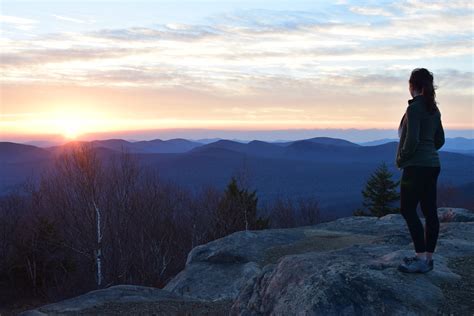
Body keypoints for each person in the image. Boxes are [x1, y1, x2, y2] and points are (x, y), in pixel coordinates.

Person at [395, 68, 445, 273]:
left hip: (415, 167)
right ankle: (428, 259)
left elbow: (411, 140)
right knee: (429, 211)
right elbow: (440, 140)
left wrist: (403, 158)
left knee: (407, 209)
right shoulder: (434, 109)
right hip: (433, 165)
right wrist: (428, 151)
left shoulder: (414, 108)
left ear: (412, 86)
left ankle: (420, 257)